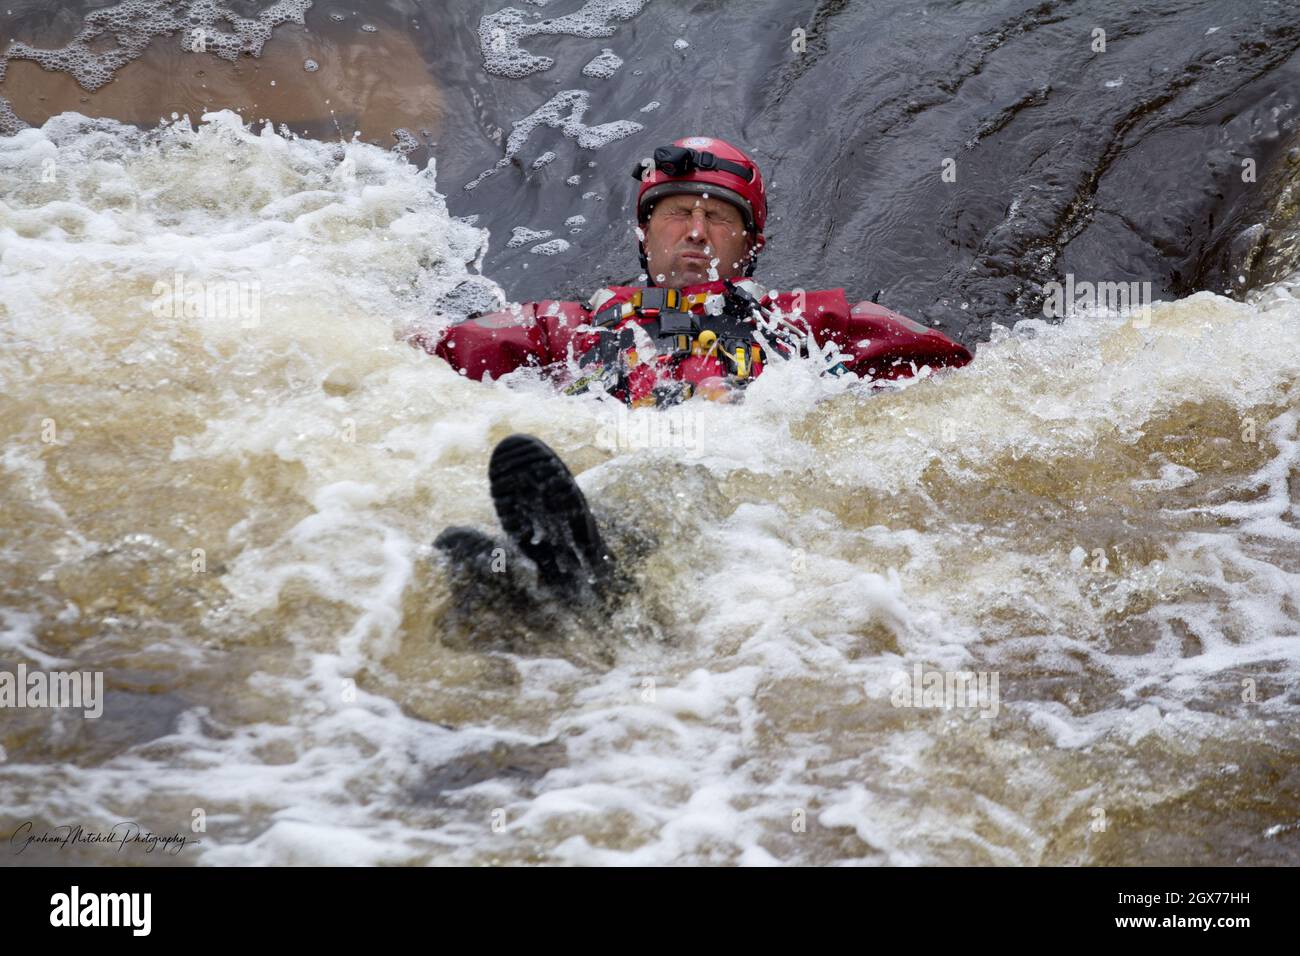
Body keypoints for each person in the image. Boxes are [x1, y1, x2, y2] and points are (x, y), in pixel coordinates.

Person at [422, 136, 973, 598]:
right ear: (646, 232)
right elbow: (413, 360)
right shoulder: (565, 325)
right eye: (678, 212)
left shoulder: (809, 321)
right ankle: (542, 579)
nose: (695, 230)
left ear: (749, 245)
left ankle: (573, 571)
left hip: (731, 498)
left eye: (717, 217)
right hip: (609, 460)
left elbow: (967, 383)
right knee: (610, 473)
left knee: (668, 479)